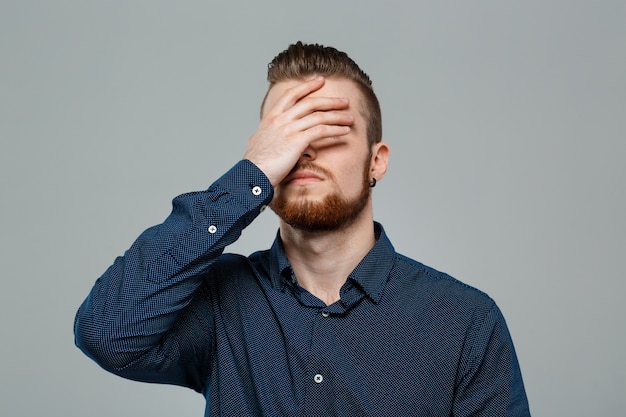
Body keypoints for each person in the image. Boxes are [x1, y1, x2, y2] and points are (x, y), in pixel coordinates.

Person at [74, 41, 531, 416]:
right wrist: (250, 175)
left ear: (377, 161)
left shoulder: (464, 321)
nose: (304, 153)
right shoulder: (218, 301)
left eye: (328, 131)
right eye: (288, 133)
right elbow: (107, 333)